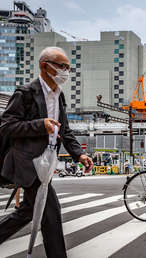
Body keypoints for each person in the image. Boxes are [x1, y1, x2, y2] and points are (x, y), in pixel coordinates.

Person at [0, 46, 93, 257]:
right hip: (28, 164)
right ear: (45, 66)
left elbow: (65, 131)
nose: (66, 71)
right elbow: (7, 126)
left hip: (45, 165)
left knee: (28, 212)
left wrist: (80, 154)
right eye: (62, 66)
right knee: (51, 214)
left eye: (68, 67)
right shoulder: (25, 93)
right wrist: (40, 125)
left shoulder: (58, 96)